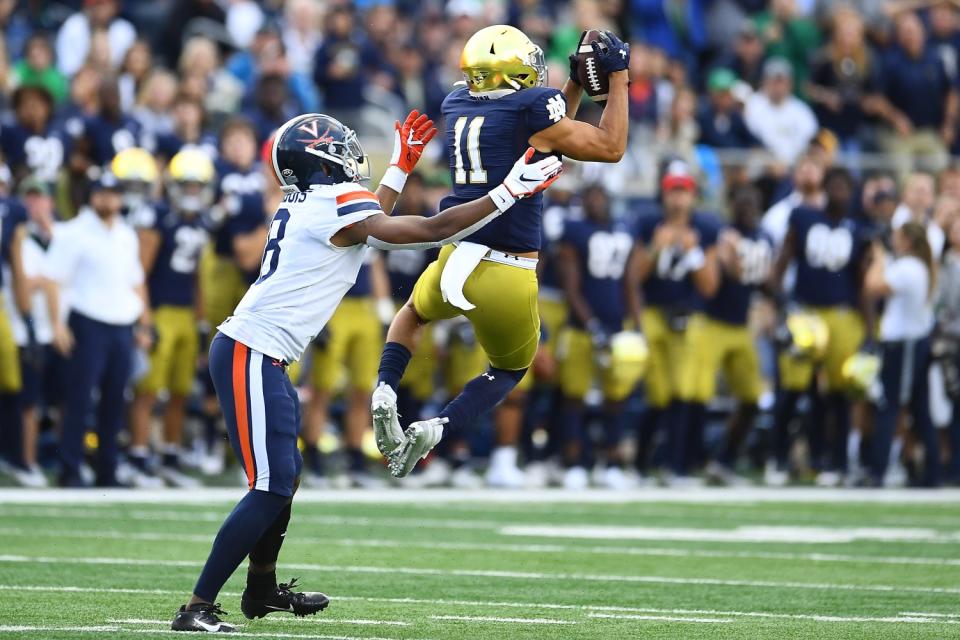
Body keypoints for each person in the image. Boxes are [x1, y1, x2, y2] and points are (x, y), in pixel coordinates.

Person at [169, 109, 562, 632]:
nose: (352, 152)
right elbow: (427, 231)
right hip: (250, 350)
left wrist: (400, 166)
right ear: (321, 155)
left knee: (285, 478)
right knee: (270, 484)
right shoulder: (334, 202)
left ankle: (261, 588)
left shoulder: (318, 203)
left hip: (260, 352)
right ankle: (196, 606)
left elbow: (370, 221)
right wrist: (509, 191)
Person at [371, 26, 631, 478]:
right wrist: (621, 77)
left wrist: (572, 85)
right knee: (511, 369)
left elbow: (549, 132)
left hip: (454, 257)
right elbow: (610, 147)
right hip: (508, 271)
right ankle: (440, 426)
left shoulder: (457, 104)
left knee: (412, 313)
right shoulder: (530, 106)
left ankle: (385, 389)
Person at [42, 170, 152, 487]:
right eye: (103, 193)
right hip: (87, 321)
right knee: (78, 399)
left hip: (121, 325)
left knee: (115, 400)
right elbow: (52, 278)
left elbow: (135, 281)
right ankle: (70, 468)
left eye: (114, 193)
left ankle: (107, 470)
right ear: (92, 196)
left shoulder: (125, 234)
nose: (108, 199)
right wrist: (57, 325)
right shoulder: (74, 232)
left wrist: (144, 324)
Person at [767, 167, 871, 486]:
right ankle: (779, 459)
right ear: (825, 190)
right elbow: (781, 265)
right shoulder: (802, 217)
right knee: (791, 389)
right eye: (835, 187)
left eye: (845, 188)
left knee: (839, 395)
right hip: (805, 314)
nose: (840, 193)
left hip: (841, 316)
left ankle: (834, 462)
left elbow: (861, 283)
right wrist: (783, 307)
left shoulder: (858, 230)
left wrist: (868, 331)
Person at [624, 161, 720, 485]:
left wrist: (694, 254)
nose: (678, 199)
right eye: (673, 191)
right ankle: (639, 465)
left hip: (688, 315)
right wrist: (655, 248)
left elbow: (710, 286)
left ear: (693, 195)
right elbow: (634, 276)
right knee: (657, 394)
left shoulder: (704, 229)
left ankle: (675, 468)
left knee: (682, 391)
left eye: (684, 191)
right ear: (663, 194)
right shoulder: (648, 223)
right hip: (653, 312)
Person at [128, 150, 212, 488]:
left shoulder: (201, 221)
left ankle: (169, 456)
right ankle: (137, 456)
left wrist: (202, 321)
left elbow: (197, 278)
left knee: (179, 391)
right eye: (186, 185)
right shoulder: (158, 217)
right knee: (148, 391)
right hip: (160, 309)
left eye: (197, 186)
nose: (192, 192)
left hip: (185, 316)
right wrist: (145, 320)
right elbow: (139, 273)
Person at [555, 184, 640, 489]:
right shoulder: (575, 231)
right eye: (591, 198)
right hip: (582, 328)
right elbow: (570, 285)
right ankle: (574, 461)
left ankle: (613, 461)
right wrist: (591, 324)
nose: (597, 202)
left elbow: (630, 281)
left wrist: (637, 323)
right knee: (574, 396)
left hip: (616, 325)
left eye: (601, 197)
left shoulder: (622, 231)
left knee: (615, 397)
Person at [694, 184, 773, 484]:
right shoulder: (721, 233)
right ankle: (692, 460)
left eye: (752, 202)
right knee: (697, 395)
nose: (747, 208)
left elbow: (763, 282)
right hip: (712, 321)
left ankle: (724, 458)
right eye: (742, 202)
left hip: (742, 326)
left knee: (752, 397)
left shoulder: (763, 238)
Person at [864, 222, 940, 486]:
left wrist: (879, 258)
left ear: (908, 241)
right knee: (919, 409)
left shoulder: (907, 268)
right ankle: (931, 472)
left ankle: (878, 469)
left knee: (891, 405)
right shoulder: (918, 267)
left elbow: (872, 286)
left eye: (898, 238)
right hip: (914, 342)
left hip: (904, 345)